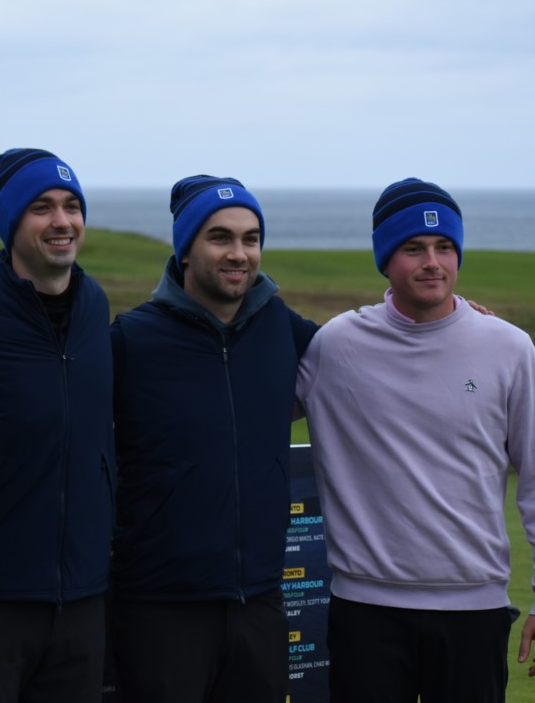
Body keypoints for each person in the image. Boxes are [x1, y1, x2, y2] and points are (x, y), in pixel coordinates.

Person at [295, 177, 535, 702]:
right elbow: (245, 402)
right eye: (414, 249)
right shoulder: (334, 347)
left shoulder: (508, 347)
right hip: (365, 614)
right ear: (385, 259)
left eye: (445, 247)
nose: (433, 262)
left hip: (475, 612)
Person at [109, 175, 319, 702]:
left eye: (251, 239)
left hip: (261, 601)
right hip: (159, 606)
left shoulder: (281, 327)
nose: (239, 253)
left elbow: (373, 353)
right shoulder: (131, 339)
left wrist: (454, 322)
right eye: (220, 237)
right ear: (185, 249)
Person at [0, 148, 115, 703]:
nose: (62, 221)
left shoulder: (94, 305)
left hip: (82, 601)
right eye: (41, 207)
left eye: (72, 205)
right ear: (11, 224)